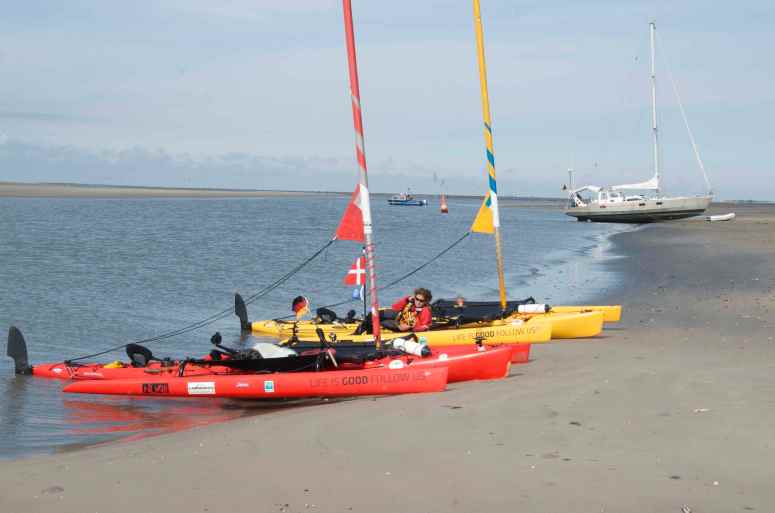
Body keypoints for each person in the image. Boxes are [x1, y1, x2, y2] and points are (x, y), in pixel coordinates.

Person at [355, 287, 433, 333]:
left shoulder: (425, 310)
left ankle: (368, 335)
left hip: (403, 327)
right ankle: (360, 332)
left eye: (421, 301)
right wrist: (406, 299)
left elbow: (425, 326)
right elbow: (395, 307)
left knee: (379, 322)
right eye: (417, 299)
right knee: (374, 314)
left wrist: (411, 327)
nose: (418, 302)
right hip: (400, 318)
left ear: (426, 301)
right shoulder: (411, 303)